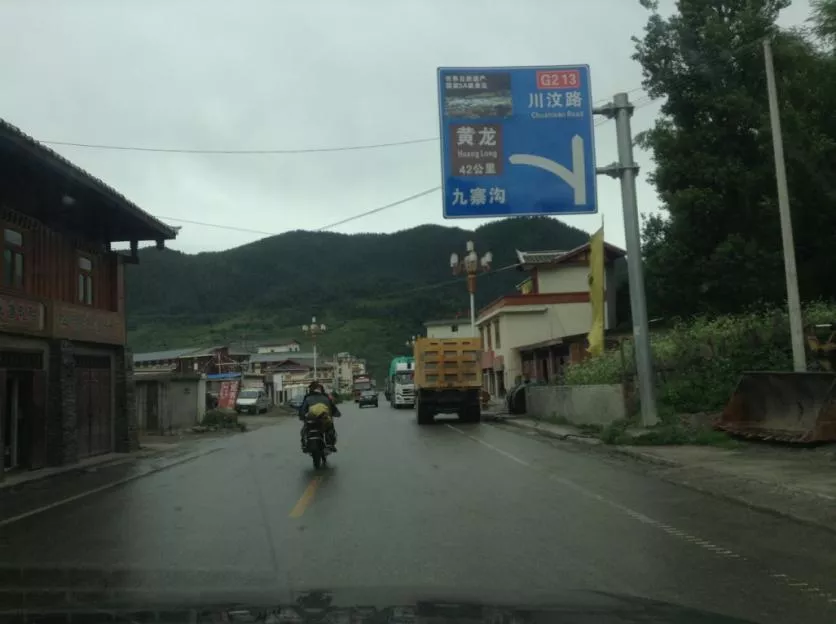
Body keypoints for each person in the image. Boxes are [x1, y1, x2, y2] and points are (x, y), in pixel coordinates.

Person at [298, 382, 341, 451]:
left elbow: (303, 410)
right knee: (330, 428)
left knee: (304, 430)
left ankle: (304, 445)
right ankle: (330, 444)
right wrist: (336, 414)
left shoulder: (307, 397)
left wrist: (302, 416)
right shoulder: (326, 397)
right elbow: (333, 409)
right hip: (323, 420)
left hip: (311, 420)